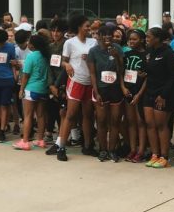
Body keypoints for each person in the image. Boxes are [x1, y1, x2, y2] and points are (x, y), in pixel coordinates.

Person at [48, 14, 98, 162]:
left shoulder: (93, 42)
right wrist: (67, 65)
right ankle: (61, 147)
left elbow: (94, 60)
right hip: (76, 81)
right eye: (86, 26)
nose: (89, 28)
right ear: (78, 27)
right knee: (70, 115)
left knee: (88, 116)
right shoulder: (70, 43)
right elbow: (63, 61)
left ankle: (88, 146)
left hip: (89, 83)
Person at [142, 27, 174, 169]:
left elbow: (173, 76)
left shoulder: (168, 53)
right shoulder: (149, 51)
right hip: (149, 92)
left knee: (161, 125)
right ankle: (154, 154)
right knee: (150, 125)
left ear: (157, 38)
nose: (146, 39)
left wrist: (163, 95)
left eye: (148, 36)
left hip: (163, 95)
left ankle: (164, 156)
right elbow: (150, 71)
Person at [87, 24, 124, 162]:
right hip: (101, 89)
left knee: (115, 121)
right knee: (101, 121)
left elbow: (121, 71)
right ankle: (102, 149)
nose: (108, 37)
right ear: (100, 36)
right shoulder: (93, 51)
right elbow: (92, 73)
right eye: (105, 34)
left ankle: (112, 150)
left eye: (110, 34)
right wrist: (96, 92)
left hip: (115, 90)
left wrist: (117, 57)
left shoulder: (118, 49)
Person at [14, 33, 51, 151]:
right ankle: (40, 139)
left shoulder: (31, 56)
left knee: (28, 116)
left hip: (31, 89)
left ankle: (25, 141)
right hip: (43, 89)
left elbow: (25, 75)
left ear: (33, 45)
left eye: (30, 42)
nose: (28, 44)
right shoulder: (46, 56)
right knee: (41, 115)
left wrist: (21, 89)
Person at [121, 28, 148, 163]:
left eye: (134, 39)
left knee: (140, 122)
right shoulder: (127, 54)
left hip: (140, 92)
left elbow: (147, 78)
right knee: (131, 122)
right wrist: (123, 87)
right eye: (130, 39)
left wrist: (139, 94)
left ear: (142, 40)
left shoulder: (147, 55)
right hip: (128, 90)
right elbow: (122, 72)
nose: (131, 41)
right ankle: (132, 149)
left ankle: (141, 150)